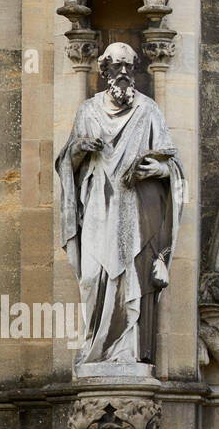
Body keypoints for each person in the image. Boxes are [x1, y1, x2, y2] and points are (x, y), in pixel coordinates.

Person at [56, 42, 184, 366]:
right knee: (91, 277)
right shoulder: (88, 111)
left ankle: (126, 350)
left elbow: (173, 164)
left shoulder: (148, 110)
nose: (124, 73)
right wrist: (81, 147)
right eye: (117, 67)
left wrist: (157, 169)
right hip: (99, 203)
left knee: (131, 278)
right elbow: (65, 163)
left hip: (135, 208)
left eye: (130, 67)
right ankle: (94, 346)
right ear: (104, 71)